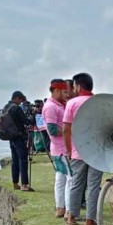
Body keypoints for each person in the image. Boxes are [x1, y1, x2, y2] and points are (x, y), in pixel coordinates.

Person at [63, 72, 102, 225]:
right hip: (97, 151)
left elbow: (66, 128)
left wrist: (68, 149)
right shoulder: (98, 103)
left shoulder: (72, 103)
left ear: (78, 86)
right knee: (93, 186)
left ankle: (72, 217)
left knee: (76, 184)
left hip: (78, 150)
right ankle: (89, 220)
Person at [41, 79, 70, 217]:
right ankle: (69, 211)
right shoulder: (51, 107)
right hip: (62, 149)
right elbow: (52, 130)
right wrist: (70, 129)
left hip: (59, 149)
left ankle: (60, 208)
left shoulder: (59, 105)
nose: (67, 94)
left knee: (61, 179)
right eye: (64, 91)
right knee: (70, 179)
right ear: (57, 91)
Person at [5, 90, 33, 191]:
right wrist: (32, 116)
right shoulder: (16, 108)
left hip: (11, 137)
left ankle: (15, 183)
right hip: (19, 137)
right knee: (23, 160)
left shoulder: (6, 107)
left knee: (15, 160)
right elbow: (26, 121)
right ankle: (24, 184)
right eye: (20, 101)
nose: (20, 103)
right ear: (17, 98)